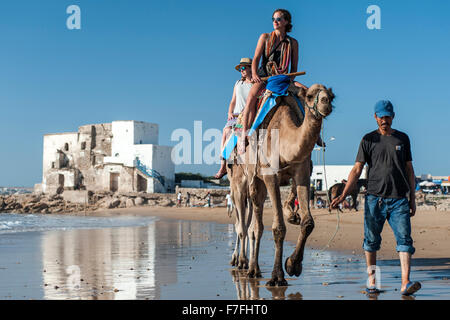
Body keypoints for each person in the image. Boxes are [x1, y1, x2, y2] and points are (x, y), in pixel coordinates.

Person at [331, 100, 420, 296]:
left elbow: (409, 170)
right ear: (375, 117)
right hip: (374, 199)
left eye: (387, 116)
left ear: (393, 116)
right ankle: (372, 281)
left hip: (399, 200)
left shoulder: (402, 139)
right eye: (381, 117)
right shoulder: (368, 140)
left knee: (405, 241)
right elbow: (357, 168)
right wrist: (344, 194)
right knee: (370, 242)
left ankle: (405, 282)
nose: (384, 120)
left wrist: (412, 198)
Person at [238, 9, 308, 153]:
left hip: (283, 77)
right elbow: (256, 58)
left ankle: (312, 131)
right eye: (273, 19)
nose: (275, 22)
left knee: (306, 93)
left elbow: (294, 67)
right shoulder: (265, 37)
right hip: (264, 76)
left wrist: (288, 80)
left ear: (286, 22)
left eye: (279, 19)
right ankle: (244, 134)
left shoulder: (293, 43)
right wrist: (255, 74)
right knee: (251, 98)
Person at [214, 58, 254, 178]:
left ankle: (224, 164)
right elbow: (233, 101)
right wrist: (229, 112)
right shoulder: (238, 84)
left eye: (244, 68)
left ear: (250, 68)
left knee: (233, 134)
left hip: (246, 116)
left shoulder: (254, 84)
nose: (241, 71)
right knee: (225, 131)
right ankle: (223, 164)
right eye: (240, 69)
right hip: (235, 115)